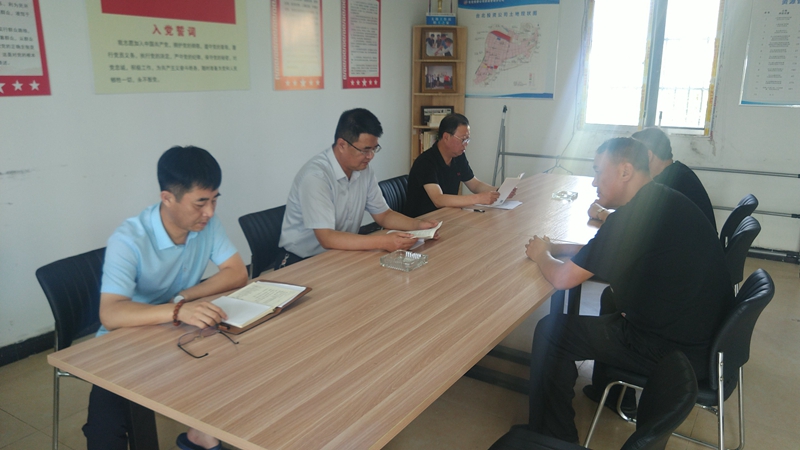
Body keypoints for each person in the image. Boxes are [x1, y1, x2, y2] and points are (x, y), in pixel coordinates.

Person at [522, 137, 732, 443]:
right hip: (703, 341)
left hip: (674, 353)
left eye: (598, 171)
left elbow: (564, 278)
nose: (594, 182)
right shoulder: (659, 201)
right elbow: (601, 251)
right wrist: (555, 247)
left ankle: (552, 438)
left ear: (625, 171)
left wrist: (542, 255)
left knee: (551, 332)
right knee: (610, 299)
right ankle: (609, 392)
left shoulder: (632, 217)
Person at [83, 146, 248, 450]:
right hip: (126, 341)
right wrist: (177, 311)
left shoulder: (207, 225)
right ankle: (201, 431)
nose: (210, 212)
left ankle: (199, 433)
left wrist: (184, 298)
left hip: (180, 333)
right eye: (200, 202)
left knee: (245, 368)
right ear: (167, 198)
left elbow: (237, 273)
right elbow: (111, 314)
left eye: (214, 200)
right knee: (105, 433)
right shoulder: (129, 239)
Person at [278, 108, 439, 267]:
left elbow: (384, 215)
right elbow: (327, 238)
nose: (370, 156)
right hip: (301, 262)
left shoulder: (363, 170)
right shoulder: (316, 177)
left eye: (374, 149)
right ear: (342, 144)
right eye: (365, 150)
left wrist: (418, 226)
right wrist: (383, 241)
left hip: (341, 254)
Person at [588, 127, 716, 230]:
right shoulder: (678, 171)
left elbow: (632, 226)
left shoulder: (670, 184)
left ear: (648, 156)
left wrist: (601, 212)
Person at [404, 113, 509, 218]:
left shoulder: (458, 156)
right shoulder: (425, 162)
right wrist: (478, 198)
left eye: (467, 139)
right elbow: (438, 200)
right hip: (423, 220)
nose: (466, 144)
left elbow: (475, 184)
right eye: (463, 139)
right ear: (446, 137)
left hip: (447, 215)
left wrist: (499, 191)